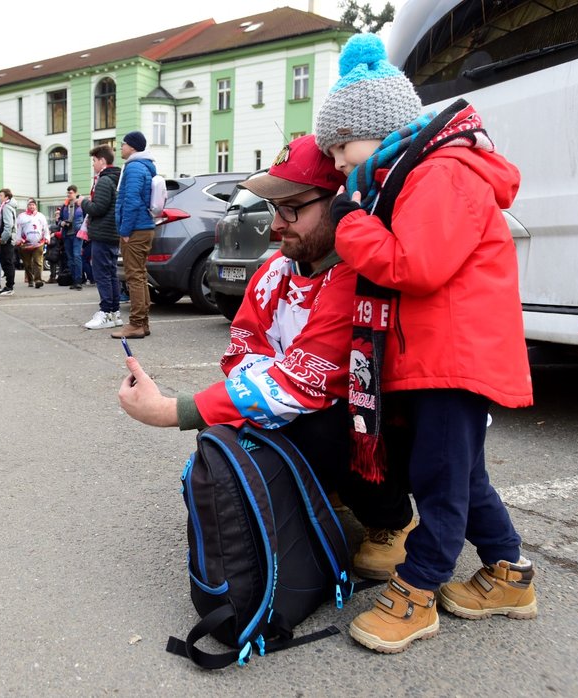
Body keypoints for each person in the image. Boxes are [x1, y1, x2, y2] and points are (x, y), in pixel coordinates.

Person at [314, 33, 535, 653]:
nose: (335, 161)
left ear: (381, 129)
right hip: (438, 352)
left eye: (340, 146)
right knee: (462, 475)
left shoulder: (442, 172)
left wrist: (351, 222)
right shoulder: (416, 173)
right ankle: (510, 574)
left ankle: (419, 588)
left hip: (453, 356)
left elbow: (416, 265)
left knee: (439, 476)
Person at [118, 133, 415, 573]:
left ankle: (390, 517)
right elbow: (243, 349)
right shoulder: (274, 271)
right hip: (312, 399)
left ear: (339, 202)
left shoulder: (358, 274)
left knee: (317, 416)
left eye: (292, 208)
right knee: (245, 412)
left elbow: (305, 381)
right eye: (276, 208)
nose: (276, 225)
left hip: (390, 420)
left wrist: (171, 410)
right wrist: (251, 397)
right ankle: (328, 488)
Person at [112, 130, 157, 339]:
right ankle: (143, 322)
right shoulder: (144, 166)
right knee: (139, 274)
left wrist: (125, 230)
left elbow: (131, 200)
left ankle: (137, 323)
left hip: (136, 229)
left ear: (132, 147)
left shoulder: (134, 167)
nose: (121, 147)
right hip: (143, 226)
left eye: (123, 144)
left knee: (134, 276)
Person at [79, 145, 122, 329]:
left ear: (102, 161)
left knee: (103, 274)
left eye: (94, 161)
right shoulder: (115, 179)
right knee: (111, 273)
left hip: (103, 233)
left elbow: (98, 208)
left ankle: (106, 312)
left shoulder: (104, 181)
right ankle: (114, 312)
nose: (93, 165)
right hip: (111, 233)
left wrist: (83, 202)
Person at [15, 199, 48, 289]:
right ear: (27, 206)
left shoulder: (41, 216)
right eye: (30, 205)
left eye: (33, 205)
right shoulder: (22, 216)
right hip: (26, 244)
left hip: (38, 243)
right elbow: (18, 229)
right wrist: (18, 240)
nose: (31, 206)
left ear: (35, 206)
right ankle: (30, 280)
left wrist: (47, 238)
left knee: (38, 262)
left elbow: (45, 228)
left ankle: (38, 280)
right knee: (27, 264)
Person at [58, 185, 84, 289]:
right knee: (70, 258)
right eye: (68, 193)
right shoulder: (65, 206)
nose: (69, 194)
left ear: (76, 193)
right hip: (67, 234)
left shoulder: (81, 204)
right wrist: (62, 223)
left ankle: (78, 281)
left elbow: (87, 218)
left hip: (77, 234)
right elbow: (59, 220)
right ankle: (74, 281)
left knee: (76, 256)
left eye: (71, 192)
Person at [0, 188, 18, 296]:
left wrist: (3, 238)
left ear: (7, 197)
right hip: (8, 239)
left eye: (1, 195)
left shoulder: (7, 207)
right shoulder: (6, 206)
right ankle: (8, 285)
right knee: (5, 260)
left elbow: (8, 225)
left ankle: (9, 286)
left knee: (7, 262)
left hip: (7, 240)